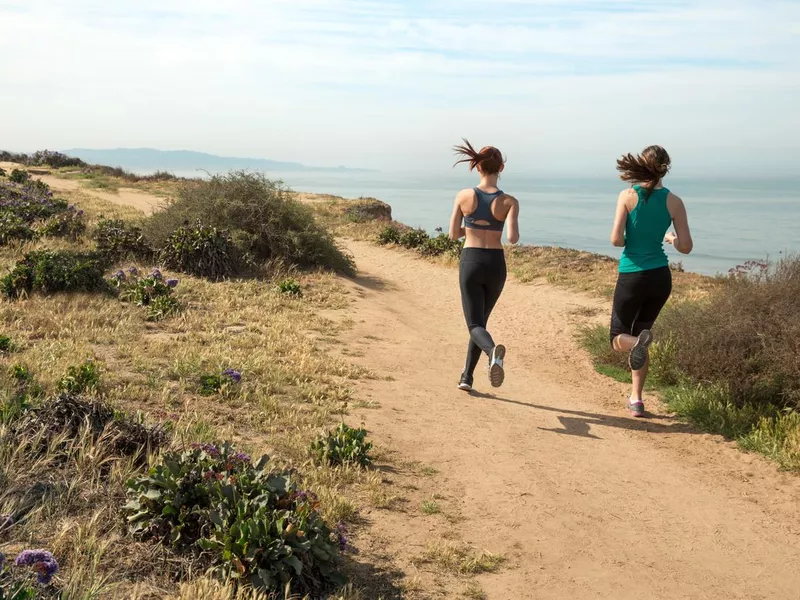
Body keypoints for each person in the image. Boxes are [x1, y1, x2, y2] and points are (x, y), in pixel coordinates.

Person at [609, 145, 693, 416]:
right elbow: (686, 247)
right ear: (665, 168)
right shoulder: (674, 202)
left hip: (632, 274)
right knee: (641, 333)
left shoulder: (627, 195)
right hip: (660, 278)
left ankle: (637, 347)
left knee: (618, 338)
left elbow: (616, 240)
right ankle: (636, 398)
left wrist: (629, 238)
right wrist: (670, 238)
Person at [449, 139, 520, 391]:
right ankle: (466, 377)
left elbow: (452, 234)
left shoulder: (464, 195)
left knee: (474, 324)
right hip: (495, 264)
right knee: (481, 322)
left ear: (478, 167)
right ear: (500, 168)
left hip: (471, 259)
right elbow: (512, 238)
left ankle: (492, 354)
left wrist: (472, 225)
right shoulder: (510, 201)